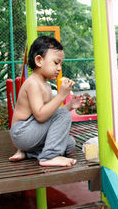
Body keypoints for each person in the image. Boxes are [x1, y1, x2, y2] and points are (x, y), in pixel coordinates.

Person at [8, 36, 84, 167]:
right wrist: (60, 96)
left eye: (61, 64)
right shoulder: (33, 83)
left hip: (31, 135)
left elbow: (51, 114)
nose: (59, 68)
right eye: (56, 63)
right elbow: (41, 115)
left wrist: (70, 105)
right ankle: (49, 157)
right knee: (63, 116)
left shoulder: (46, 85)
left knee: (69, 143)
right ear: (39, 60)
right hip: (22, 132)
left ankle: (28, 153)